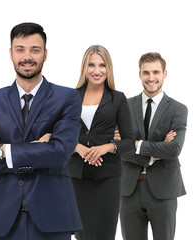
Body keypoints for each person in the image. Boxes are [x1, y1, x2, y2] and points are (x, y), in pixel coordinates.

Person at [0, 22, 83, 240]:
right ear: (11, 54)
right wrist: (38, 150)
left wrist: (1, 151)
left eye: (35, 50)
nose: (27, 57)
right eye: (20, 49)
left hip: (52, 218)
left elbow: (60, 154)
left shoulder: (67, 98)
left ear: (45, 54)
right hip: (1, 220)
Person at [67, 45, 135, 240]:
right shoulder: (70, 97)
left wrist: (107, 147)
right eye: (92, 65)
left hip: (108, 178)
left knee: (105, 235)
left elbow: (129, 141)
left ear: (109, 68)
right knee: (81, 235)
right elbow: (58, 136)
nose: (97, 71)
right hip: (76, 177)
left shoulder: (118, 99)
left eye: (102, 65)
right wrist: (79, 148)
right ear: (84, 68)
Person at [120, 52, 188, 240]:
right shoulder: (124, 106)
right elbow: (118, 148)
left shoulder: (177, 109)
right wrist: (154, 153)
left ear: (165, 74)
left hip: (164, 189)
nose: (151, 78)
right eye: (146, 73)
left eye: (156, 72)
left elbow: (174, 149)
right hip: (128, 190)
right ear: (139, 74)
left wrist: (136, 144)